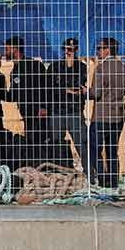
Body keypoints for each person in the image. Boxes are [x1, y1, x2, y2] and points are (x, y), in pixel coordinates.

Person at [4, 36, 49, 166]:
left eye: (7, 49)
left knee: (41, 141)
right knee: (31, 142)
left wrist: (43, 107)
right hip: (26, 114)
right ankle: (35, 168)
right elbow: (12, 95)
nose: (5, 52)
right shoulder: (15, 70)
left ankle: (45, 167)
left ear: (15, 49)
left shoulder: (34, 65)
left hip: (39, 112)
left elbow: (45, 87)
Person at [89, 37, 125, 188]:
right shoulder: (123, 68)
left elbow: (96, 93)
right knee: (112, 150)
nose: (97, 51)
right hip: (117, 116)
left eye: (100, 48)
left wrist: (86, 91)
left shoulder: (101, 68)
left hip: (101, 116)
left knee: (94, 148)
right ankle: (113, 182)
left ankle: (102, 179)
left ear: (107, 50)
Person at [46, 38, 88, 169]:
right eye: (65, 49)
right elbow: (49, 88)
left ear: (76, 50)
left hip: (74, 111)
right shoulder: (54, 66)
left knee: (82, 143)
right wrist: (66, 90)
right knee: (57, 144)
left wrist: (78, 90)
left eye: (71, 49)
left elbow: (79, 84)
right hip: (58, 110)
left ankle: (90, 173)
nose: (67, 52)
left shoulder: (81, 66)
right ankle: (59, 170)